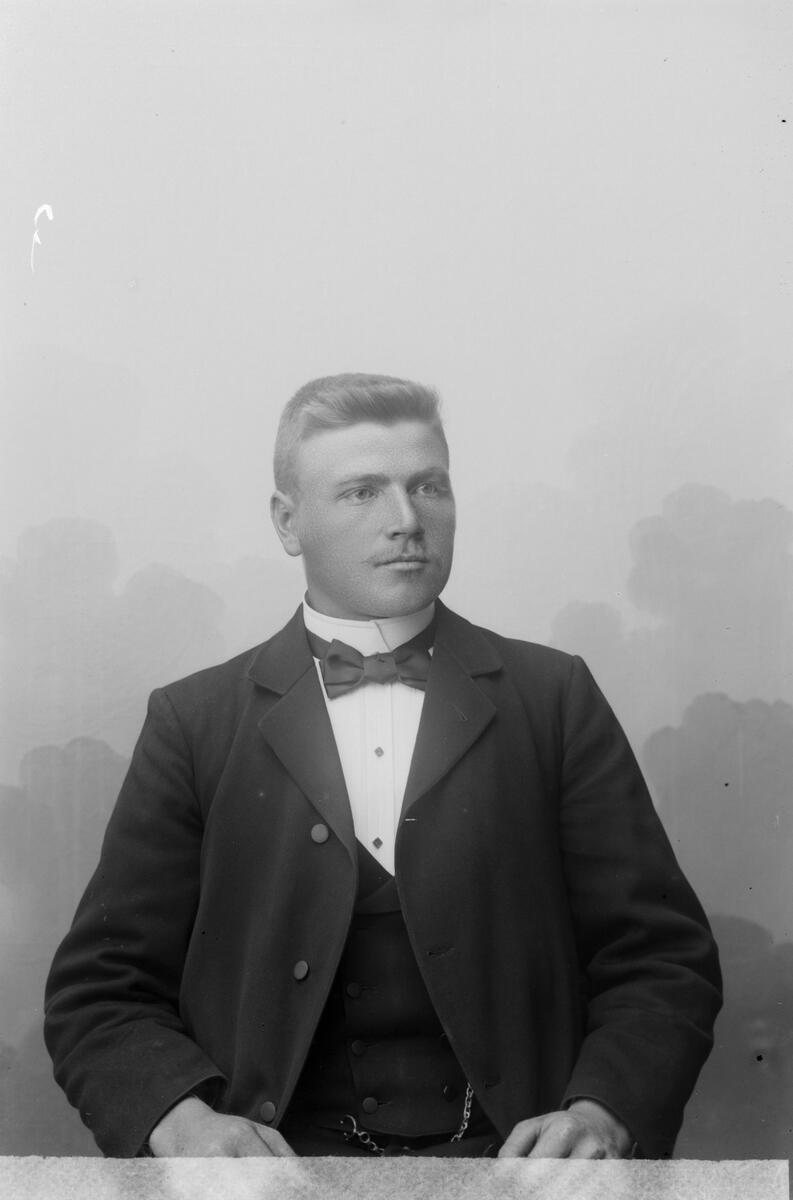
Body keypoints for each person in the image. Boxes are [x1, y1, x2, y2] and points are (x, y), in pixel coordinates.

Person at [44, 373, 722, 1160]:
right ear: (287, 522)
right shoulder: (194, 721)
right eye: (361, 492)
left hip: (518, 1172)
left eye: (428, 486)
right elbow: (101, 991)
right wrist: (185, 1125)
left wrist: (600, 1114)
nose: (406, 520)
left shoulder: (552, 697)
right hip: (272, 1178)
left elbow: (660, 959)